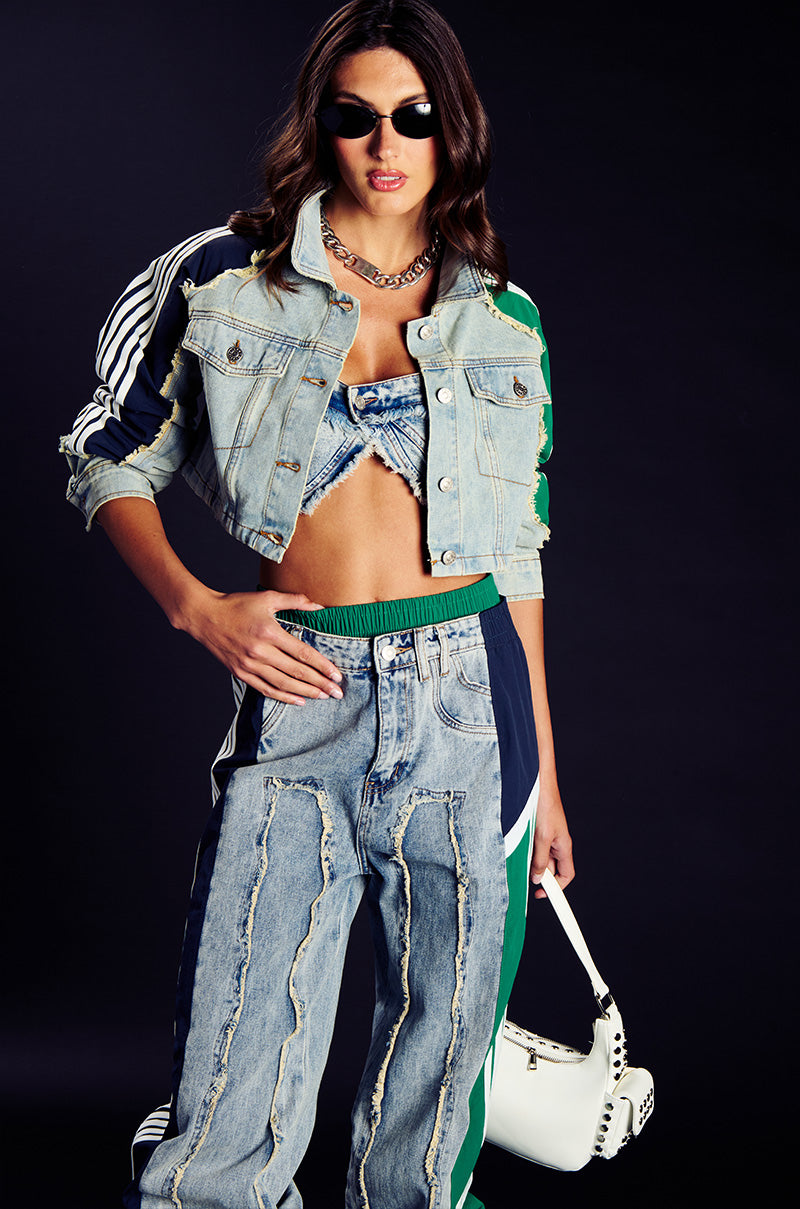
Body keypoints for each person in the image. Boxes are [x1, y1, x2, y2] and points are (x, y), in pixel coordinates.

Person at [60, 2, 573, 1205]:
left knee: (439, 1075)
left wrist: (546, 772)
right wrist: (196, 607)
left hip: (473, 708)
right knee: (239, 1053)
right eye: (355, 116)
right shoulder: (216, 276)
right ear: (318, 124)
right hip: (304, 689)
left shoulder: (502, 317)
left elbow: (518, 555)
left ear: (452, 129)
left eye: (413, 116)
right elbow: (104, 450)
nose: (384, 144)